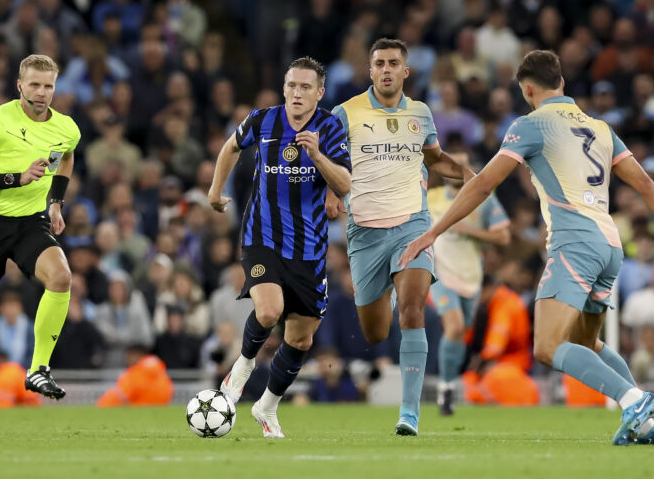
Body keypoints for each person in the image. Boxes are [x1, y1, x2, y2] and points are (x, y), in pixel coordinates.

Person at [400, 50, 654, 445]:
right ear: (561, 82)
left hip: (574, 242)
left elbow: (481, 184)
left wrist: (433, 231)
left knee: (547, 346)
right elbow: (646, 182)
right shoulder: (599, 127)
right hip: (610, 244)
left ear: (528, 89)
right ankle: (646, 426)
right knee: (585, 343)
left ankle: (634, 399)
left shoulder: (531, 124)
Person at [329, 38, 474, 436]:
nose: (387, 69)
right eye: (380, 63)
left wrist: (468, 175)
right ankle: (387, 287)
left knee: (413, 310)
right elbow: (328, 159)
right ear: (370, 70)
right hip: (365, 233)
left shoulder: (421, 114)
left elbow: (433, 158)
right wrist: (329, 193)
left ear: (406, 71)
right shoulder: (346, 113)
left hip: (413, 224)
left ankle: (409, 413)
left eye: (394, 63)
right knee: (375, 331)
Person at [208, 57, 351, 438]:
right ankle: (242, 365)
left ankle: (267, 406)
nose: (297, 93)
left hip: (309, 247)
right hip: (262, 236)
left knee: (301, 337)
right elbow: (230, 147)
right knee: (269, 311)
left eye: (306, 87)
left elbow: (345, 183)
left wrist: (318, 155)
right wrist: (215, 188)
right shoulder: (263, 120)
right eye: (291, 85)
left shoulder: (330, 127)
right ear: (284, 87)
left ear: (320, 93)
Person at [0, 54, 80, 400]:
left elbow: (65, 155)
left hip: (28, 221)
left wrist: (56, 202)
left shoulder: (66, 127)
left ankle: (38, 369)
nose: (42, 92)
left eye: (49, 86)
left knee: (61, 276)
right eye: (35, 85)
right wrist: (18, 178)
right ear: (20, 85)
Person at [427, 150, 511, 415]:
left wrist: (468, 230)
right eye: (452, 165)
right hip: (440, 274)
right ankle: (445, 388)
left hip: (471, 277)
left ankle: (450, 383)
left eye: (462, 165)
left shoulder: (484, 200)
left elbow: (504, 238)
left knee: (462, 332)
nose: (456, 170)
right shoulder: (431, 199)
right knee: (454, 327)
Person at [96, 345, 173, 407]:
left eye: (129, 356)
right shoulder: (160, 371)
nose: (127, 360)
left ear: (137, 355)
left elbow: (118, 395)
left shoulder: (135, 374)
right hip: (160, 412)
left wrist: (101, 404)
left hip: (139, 413)